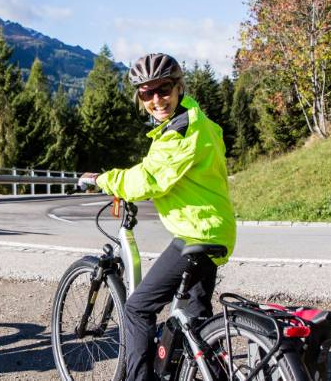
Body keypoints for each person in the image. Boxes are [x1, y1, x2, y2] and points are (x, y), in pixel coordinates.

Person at [78, 53, 236, 380]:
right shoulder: (200, 122)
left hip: (196, 234)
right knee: (194, 323)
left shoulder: (180, 131)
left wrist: (102, 180)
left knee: (137, 309)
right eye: (146, 94)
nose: (156, 100)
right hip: (215, 229)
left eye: (163, 90)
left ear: (178, 88)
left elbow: (149, 179)